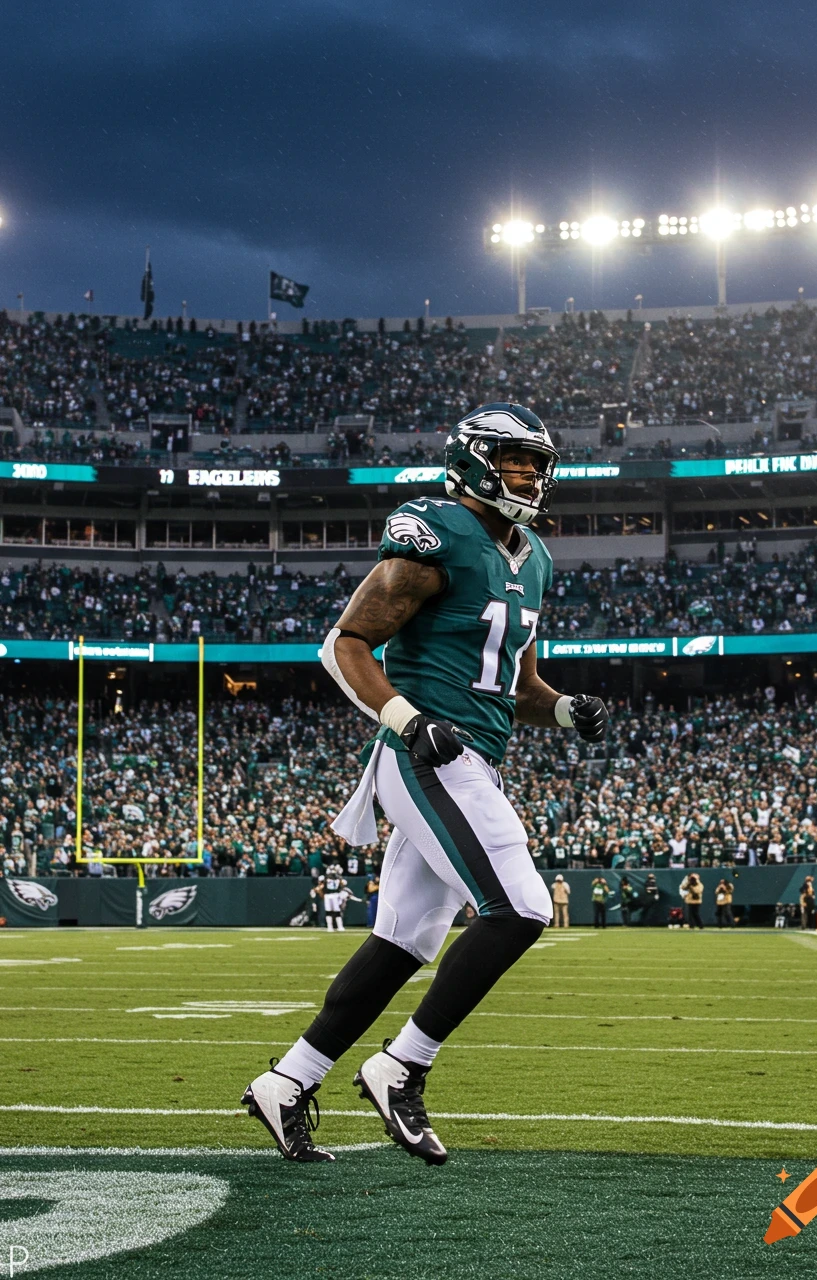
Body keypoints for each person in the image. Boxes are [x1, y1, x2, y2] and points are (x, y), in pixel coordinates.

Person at [240, 403, 608, 1164]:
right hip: (429, 752)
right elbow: (344, 644)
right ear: (473, 459)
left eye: (538, 464)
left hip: (473, 749)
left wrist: (565, 710)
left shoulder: (532, 554)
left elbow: (515, 681)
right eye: (515, 460)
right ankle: (401, 1066)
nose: (530, 476)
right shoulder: (433, 532)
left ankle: (287, 1081)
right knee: (520, 907)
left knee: (404, 939)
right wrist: (408, 721)